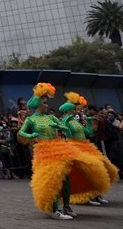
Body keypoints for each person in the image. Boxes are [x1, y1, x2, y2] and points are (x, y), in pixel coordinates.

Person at [19, 83, 109, 220]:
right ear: (38, 104)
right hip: (44, 151)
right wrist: (31, 136)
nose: (47, 105)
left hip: (59, 148)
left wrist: (58, 126)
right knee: (53, 180)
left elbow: (65, 128)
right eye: (44, 102)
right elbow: (21, 132)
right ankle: (54, 209)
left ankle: (66, 207)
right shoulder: (30, 119)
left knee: (65, 179)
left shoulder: (51, 117)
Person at [59, 92, 116, 207]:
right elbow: (68, 135)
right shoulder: (67, 122)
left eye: (76, 109)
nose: (77, 111)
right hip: (75, 147)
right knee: (86, 172)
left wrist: (89, 122)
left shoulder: (76, 121)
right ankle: (85, 197)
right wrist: (64, 124)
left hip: (86, 146)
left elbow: (88, 132)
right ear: (68, 111)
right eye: (74, 109)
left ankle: (95, 194)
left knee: (99, 168)